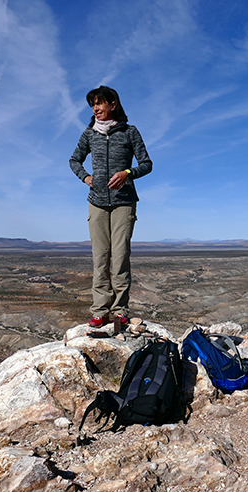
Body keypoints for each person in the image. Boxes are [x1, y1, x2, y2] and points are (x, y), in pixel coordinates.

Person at [69, 86, 152, 327]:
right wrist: (86, 178)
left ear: (112, 104)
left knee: (120, 256)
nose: (95, 108)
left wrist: (127, 173)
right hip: (96, 202)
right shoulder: (89, 134)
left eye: (99, 103)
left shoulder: (129, 132)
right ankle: (99, 309)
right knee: (100, 257)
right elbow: (74, 160)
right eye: (92, 104)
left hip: (124, 202)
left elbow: (147, 164)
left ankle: (119, 310)